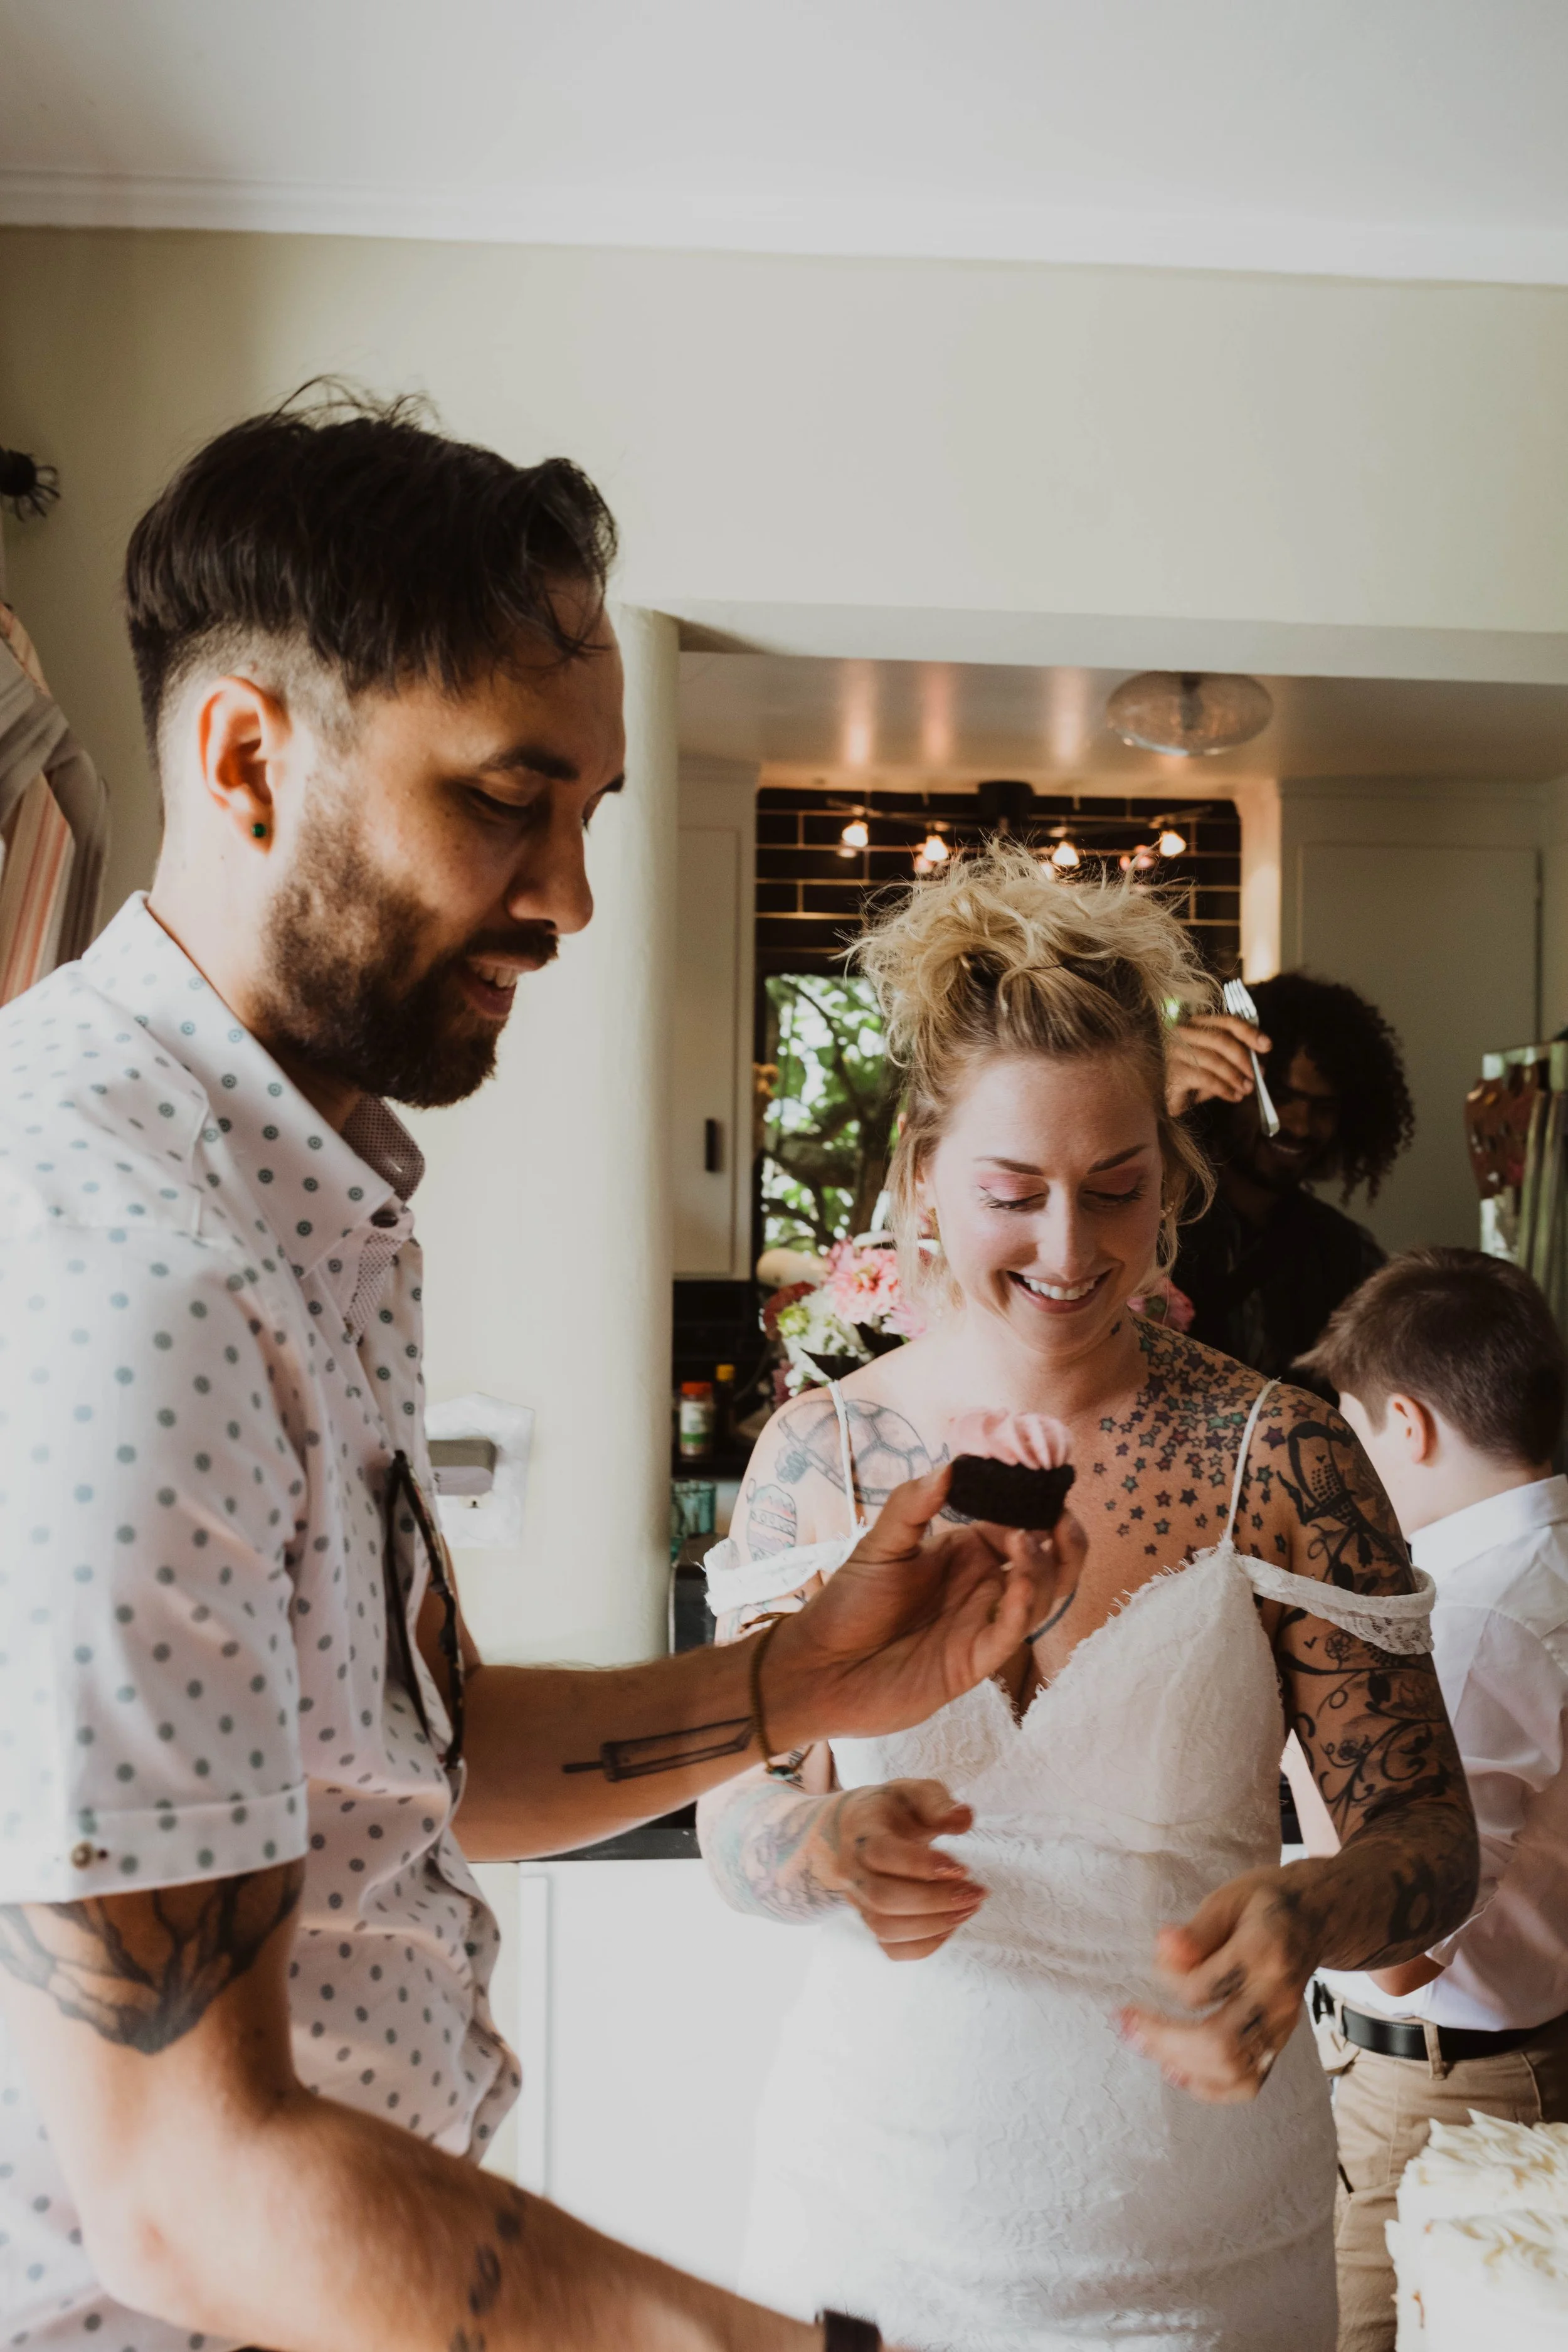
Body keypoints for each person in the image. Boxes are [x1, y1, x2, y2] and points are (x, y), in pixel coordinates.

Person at [0, 395, 1073, 2352]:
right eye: (504, 798)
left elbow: (386, 1766)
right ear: (248, 755)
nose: (571, 898)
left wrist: (800, 1680)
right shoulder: (119, 1269)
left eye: (589, 813)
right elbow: (180, 2180)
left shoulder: (286, 1202)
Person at [696, 845, 1477, 2352]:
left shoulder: (1280, 1449)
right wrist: (828, 1841)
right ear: (922, 1167)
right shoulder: (822, 1455)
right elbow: (736, 1830)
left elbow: (1433, 1840)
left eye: (1116, 1189)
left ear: (1173, 1172)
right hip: (867, 2225)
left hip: (1207, 2252)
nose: (1070, 1250)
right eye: (1012, 1191)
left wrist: (1309, 1905)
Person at [1293, 1248, 1568, 2352]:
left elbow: (1397, 1951)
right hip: (1502, 2063)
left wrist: (1301, 1714)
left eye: (1349, 1434)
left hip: (1446, 2097)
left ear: (1402, 1425)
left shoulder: (1467, 1623)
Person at [1163, 972, 1415, 1380]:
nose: (1299, 1125)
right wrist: (1157, 1109)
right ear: (1228, 1089)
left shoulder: (1347, 1256)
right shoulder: (1159, 1220)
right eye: (1280, 1098)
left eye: (1324, 1108)